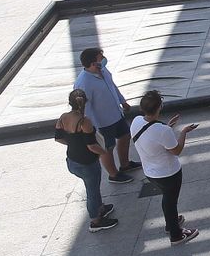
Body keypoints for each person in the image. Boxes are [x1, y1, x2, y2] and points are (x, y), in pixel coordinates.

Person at [130, 90, 200, 245]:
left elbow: (152, 137)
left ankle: (172, 222)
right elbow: (176, 151)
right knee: (170, 202)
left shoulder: (136, 121)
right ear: (159, 107)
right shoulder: (163, 131)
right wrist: (183, 132)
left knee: (167, 199)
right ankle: (176, 234)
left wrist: (168, 127)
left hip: (150, 172)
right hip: (168, 173)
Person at [54, 89, 118, 233]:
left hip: (72, 161)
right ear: (85, 103)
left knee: (92, 188)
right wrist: (104, 152)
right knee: (92, 191)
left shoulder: (63, 118)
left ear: (69, 102)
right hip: (87, 163)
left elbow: (58, 138)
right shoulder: (85, 122)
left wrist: (73, 144)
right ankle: (96, 221)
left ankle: (100, 208)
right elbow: (92, 146)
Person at [75, 46, 134, 184]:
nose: (104, 60)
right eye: (101, 58)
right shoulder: (84, 83)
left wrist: (122, 101)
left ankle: (125, 164)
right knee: (107, 149)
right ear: (92, 63)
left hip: (116, 114)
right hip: (102, 122)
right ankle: (113, 175)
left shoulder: (102, 69)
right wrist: (91, 128)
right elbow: (86, 108)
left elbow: (112, 85)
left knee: (125, 136)